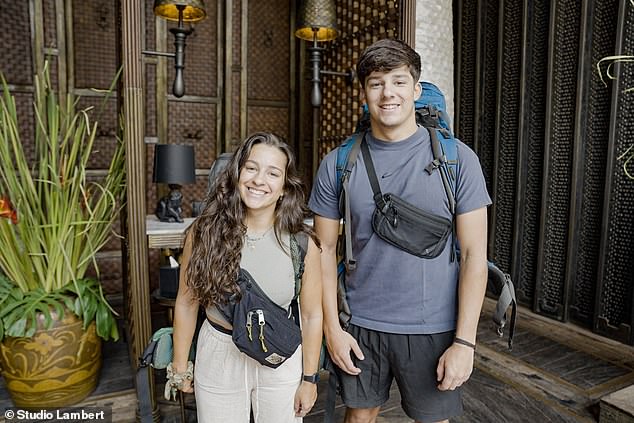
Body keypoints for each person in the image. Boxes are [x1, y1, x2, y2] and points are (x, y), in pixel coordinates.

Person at [309, 38, 491, 423]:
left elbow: (475, 254)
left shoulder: (457, 159)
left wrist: (464, 341)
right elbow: (322, 251)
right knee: (359, 417)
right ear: (364, 92)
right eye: (376, 82)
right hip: (360, 324)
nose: (388, 92)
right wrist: (332, 330)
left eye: (398, 81)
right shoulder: (339, 163)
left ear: (416, 88)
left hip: (434, 326)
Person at [171, 132, 323, 422]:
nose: (258, 180)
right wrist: (180, 367)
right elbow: (187, 303)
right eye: (251, 168)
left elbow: (313, 315)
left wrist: (309, 378)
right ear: (237, 173)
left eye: (272, 173)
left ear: (283, 188)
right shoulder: (203, 233)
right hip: (219, 351)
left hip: (279, 353)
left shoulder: (302, 243)